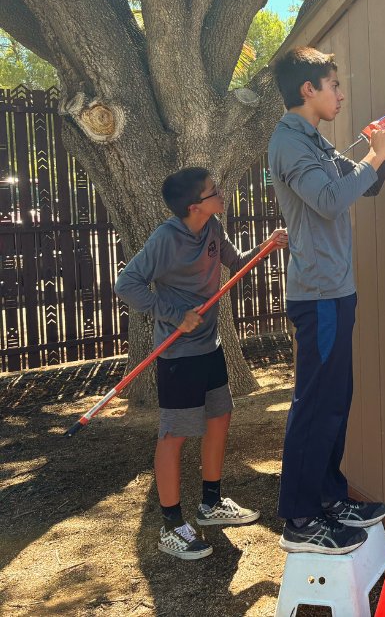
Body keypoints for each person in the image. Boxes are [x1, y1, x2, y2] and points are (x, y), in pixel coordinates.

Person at [268, 47, 385, 555]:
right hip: (319, 295)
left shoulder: (313, 141)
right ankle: (301, 517)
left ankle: (330, 496)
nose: (341, 94)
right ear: (308, 88)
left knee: (335, 400)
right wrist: (374, 154)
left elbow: (361, 187)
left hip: (337, 291)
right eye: (334, 85)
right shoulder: (289, 143)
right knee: (315, 404)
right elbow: (330, 201)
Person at [115, 167, 288, 560]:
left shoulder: (212, 228)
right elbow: (126, 284)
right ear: (195, 206)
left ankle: (210, 504)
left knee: (219, 417)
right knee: (173, 435)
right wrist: (174, 314)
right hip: (178, 355)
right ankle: (171, 525)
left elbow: (235, 262)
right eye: (214, 192)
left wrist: (266, 247)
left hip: (210, 347)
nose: (221, 194)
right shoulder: (165, 239)